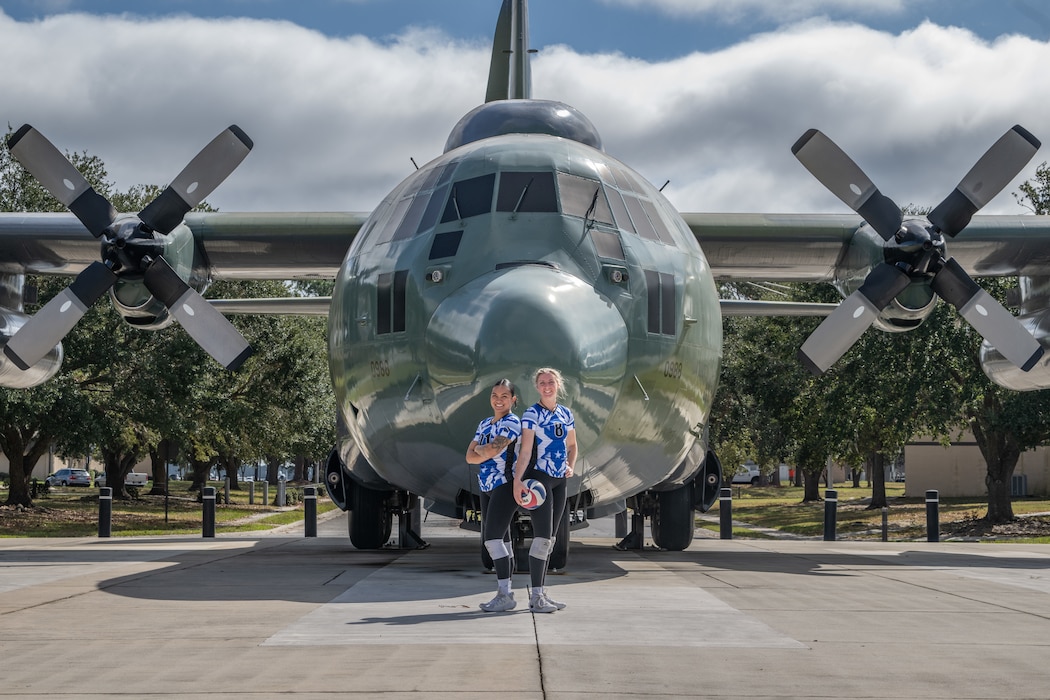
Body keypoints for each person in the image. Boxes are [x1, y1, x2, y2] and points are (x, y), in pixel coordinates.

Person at [513, 367, 577, 613]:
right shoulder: (531, 414)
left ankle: (541, 594)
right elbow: (526, 451)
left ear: (558, 385)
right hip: (539, 479)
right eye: (542, 383)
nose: (547, 386)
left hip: (560, 480)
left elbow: (572, 445)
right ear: (537, 387)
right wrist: (519, 480)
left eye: (551, 382)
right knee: (541, 537)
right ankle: (536, 597)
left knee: (549, 539)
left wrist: (570, 467)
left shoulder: (565, 414)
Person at [466, 378, 522, 612]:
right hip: (486, 485)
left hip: (504, 485)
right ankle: (507, 593)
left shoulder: (512, 423)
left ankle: (503, 593)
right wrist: (483, 451)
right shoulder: (484, 423)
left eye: (504, 397)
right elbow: (469, 457)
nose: (498, 401)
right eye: (495, 396)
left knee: (492, 539)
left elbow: (490, 449)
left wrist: (482, 450)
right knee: (504, 540)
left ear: (513, 400)